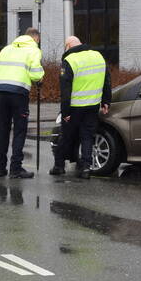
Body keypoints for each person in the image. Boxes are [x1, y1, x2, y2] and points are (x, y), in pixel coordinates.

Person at [50, 35, 111, 179]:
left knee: (66, 136)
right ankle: (85, 168)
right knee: (87, 136)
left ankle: (59, 166)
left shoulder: (70, 61)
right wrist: (106, 101)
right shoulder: (98, 56)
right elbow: (107, 80)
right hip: (93, 105)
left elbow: (65, 90)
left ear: (69, 46)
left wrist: (65, 112)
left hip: (74, 107)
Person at [0, 28, 44, 179]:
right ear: (36, 39)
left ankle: (0, 168)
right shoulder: (33, 50)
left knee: (3, 130)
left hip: (2, 93)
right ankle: (16, 168)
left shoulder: (7, 49)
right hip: (19, 94)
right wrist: (40, 78)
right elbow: (35, 74)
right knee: (19, 131)